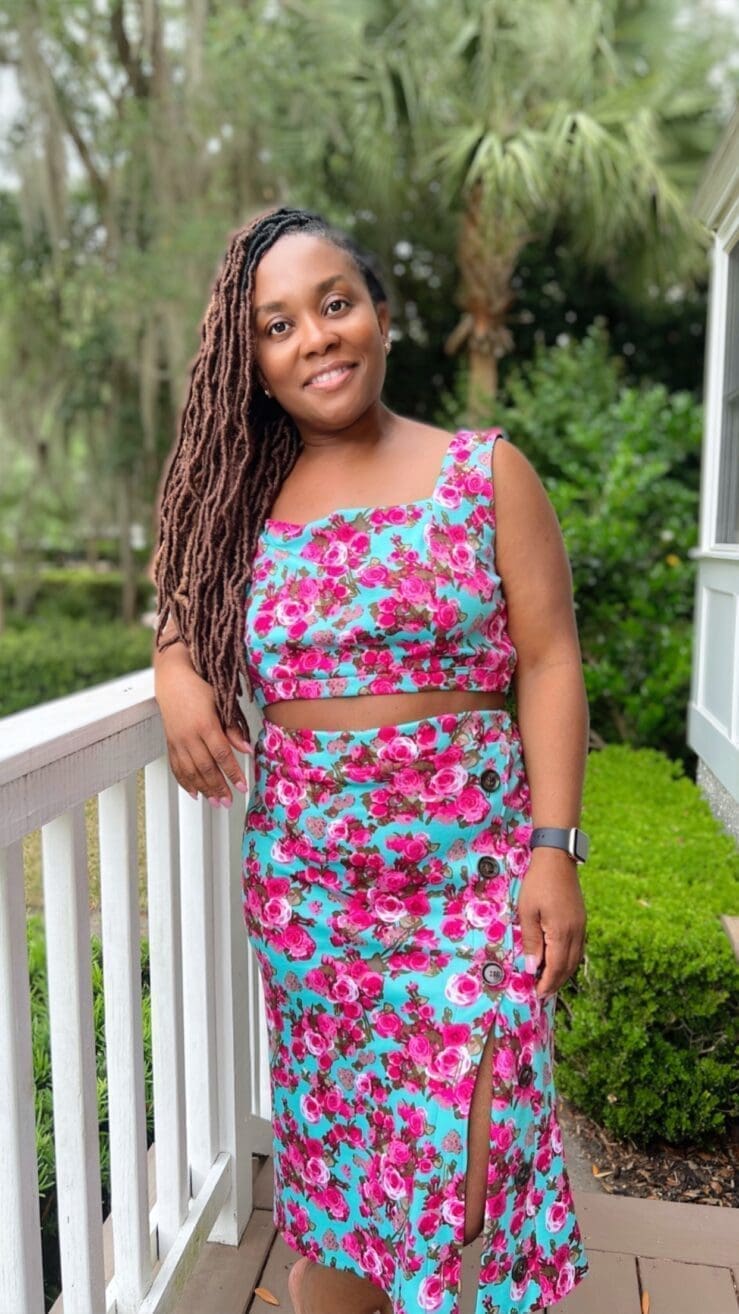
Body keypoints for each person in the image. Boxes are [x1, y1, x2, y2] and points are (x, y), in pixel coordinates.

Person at [151, 204, 591, 1314]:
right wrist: (171, 663)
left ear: (381, 318)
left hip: (473, 877)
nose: (315, 338)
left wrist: (554, 847)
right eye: (278, 325)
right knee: (342, 1180)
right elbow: (185, 606)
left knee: (476, 1170)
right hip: (316, 893)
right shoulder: (242, 507)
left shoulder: (484, 473)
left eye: (334, 304)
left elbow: (546, 661)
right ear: (250, 362)